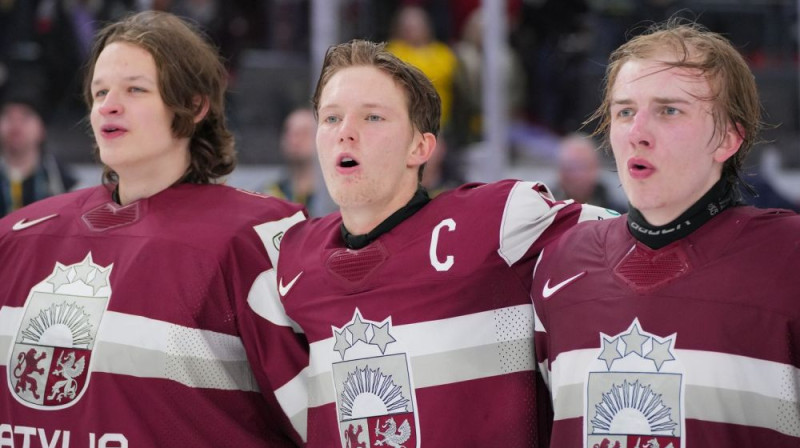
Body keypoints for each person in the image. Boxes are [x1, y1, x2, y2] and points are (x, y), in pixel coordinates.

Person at [275, 39, 618, 447]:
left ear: (420, 147)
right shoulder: (293, 260)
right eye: (331, 119)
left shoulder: (496, 221)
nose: (345, 133)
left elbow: (639, 238)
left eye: (372, 117)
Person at [0, 11, 307, 447]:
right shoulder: (18, 237)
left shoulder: (254, 239)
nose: (107, 105)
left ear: (195, 105)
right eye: (99, 91)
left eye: (135, 90)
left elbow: (325, 419)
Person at [531, 19, 800, 447]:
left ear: (727, 138)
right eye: (624, 112)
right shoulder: (559, 263)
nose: (637, 134)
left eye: (668, 110)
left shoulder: (790, 256)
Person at [0, 84, 76, 216]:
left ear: (42, 128)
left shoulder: (61, 181)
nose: (16, 125)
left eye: (25, 116)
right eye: (8, 116)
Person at [550, 132, 625, 212]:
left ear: (596, 168)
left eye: (583, 167)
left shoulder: (616, 214)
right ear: (560, 171)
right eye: (570, 167)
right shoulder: (545, 210)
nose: (577, 175)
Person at [262, 107, 317, 207]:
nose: (294, 140)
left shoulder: (333, 197)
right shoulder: (271, 193)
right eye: (289, 132)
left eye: (304, 133)